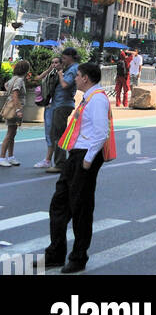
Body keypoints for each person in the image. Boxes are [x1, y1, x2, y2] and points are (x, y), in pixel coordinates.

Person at [44, 61, 115, 274]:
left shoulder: (97, 100)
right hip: (76, 155)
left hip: (85, 156)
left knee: (81, 208)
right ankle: (55, 254)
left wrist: (88, 159)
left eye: (78, 75)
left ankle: (78, 257)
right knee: (59, 204)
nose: (75, 78)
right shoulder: (89, 98)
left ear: (85, 78)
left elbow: (102, 133)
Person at [47, 48, 80, 169]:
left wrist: (61, 75)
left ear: (71, 57)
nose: (63, 60)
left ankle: (60, 163)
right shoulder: (71, 68)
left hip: (63, 104)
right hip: (60, 103)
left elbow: (65, 84)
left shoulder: (72, 69)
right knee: (56, 133)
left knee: (58, 134)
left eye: (65, 58)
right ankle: (61, 162)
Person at [0, 59, 30, 166]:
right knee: (10, 134)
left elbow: (6, 85)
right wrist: (18, 110)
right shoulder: (19, 80)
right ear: (26, 70)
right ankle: (2, 157)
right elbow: (15, 94)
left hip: (11, 107)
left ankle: (11, 156)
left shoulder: (13, 79)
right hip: (14, 109)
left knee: (12, 133)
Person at [34, 56, 61, 169]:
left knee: (51, 133)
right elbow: (38, 78)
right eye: (52, 62)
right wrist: (50, 69)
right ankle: (48, 159)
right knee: (48, 133)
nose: (54, 64)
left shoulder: (61, 75)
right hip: (48, 106)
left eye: (56, 62)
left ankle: (48, 159)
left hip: (55, 107)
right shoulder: (51, 74)